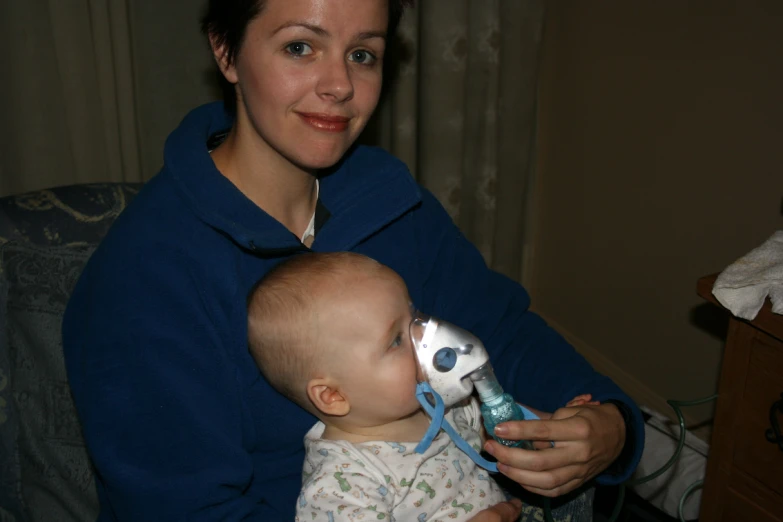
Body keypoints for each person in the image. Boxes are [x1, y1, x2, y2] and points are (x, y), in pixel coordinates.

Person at [62, 0, 644, 520]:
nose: (340, 84)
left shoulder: (388, 199)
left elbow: (501, 333)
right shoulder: (145, 280)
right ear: (226, 51)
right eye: (299, 47)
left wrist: (609, 424)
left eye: (363, 54)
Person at [247, 251, 599, 522]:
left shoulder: (446, 404)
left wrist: (552, 426)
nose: (425, 334)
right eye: (396, 340)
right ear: (333, 396)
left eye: (415, 316)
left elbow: (501, 424)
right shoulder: (344, 484)